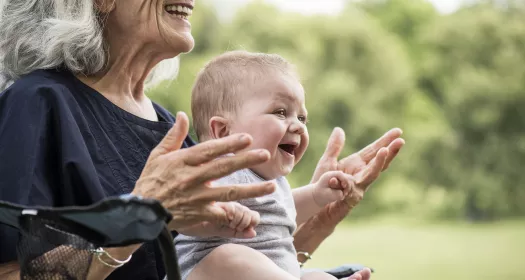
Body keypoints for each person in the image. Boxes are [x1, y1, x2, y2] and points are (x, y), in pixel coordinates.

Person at [0, 0, 404, 280]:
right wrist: (134, 220)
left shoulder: (163, 122)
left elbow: (217, 264)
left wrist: (317, 218)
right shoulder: (39, 102)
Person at [175, 50, 366, 280]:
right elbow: (180, 214)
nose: (297, 126)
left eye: (302, 118)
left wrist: (317, 195)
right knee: (228, 257)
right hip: (202, 272)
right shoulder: (219, 169)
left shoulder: (273, 182)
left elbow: (280, 213)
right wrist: (217, 213)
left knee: (317, 277)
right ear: (224, 132)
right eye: (281, 112)